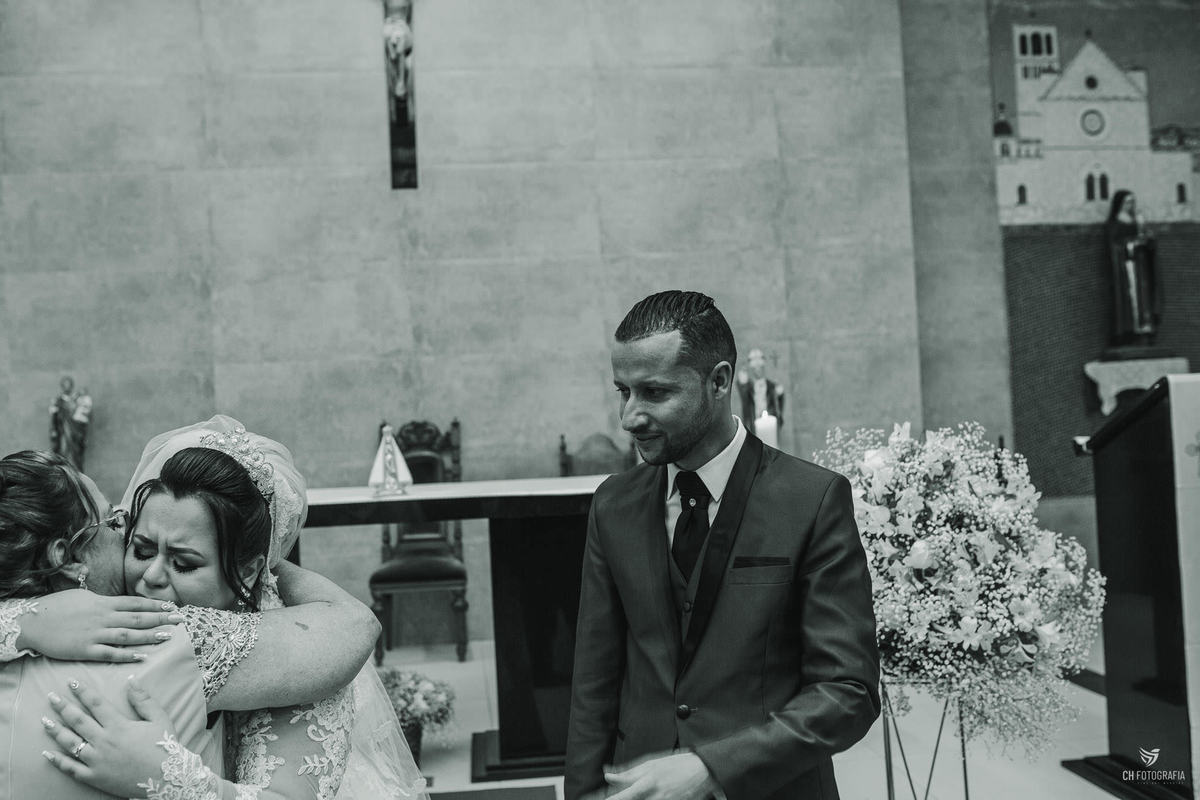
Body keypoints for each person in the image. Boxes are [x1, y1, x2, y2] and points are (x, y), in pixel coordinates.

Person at [565, 291, 879, 800]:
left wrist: (713, 768)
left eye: (655, 392)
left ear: (719, 381)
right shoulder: (613, 505)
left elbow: (849, 693)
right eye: (624, 391)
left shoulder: (812, 500)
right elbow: (593, 683)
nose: (629, 416)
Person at [39, 416, 428, 799]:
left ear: (247, 571)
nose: (153, 575)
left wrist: (172, 781)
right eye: (140, 550)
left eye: (184, 563)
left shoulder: (306, 660)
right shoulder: (103, 615)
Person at [1104, 190, 1160, 347]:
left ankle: (1145, 329)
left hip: (1141, 267)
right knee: (1130, 299)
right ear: (1120, 204)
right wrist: (1131, 245)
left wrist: (1147, 239)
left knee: (1144, 298)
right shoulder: (1115, 223)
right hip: (1126, 268)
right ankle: (1129, 331)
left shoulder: (1136, 221)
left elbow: (1147, 241)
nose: (1131, 205)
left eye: (1133, 202)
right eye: (1128, 202)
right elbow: (1114, 247)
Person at [49, 376, 90, 471]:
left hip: (76, 433)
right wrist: (54, 430)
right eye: (65, 385)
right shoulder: (58, 401)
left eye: (69, 385)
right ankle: (64, 472)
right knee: (63, 451)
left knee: (77, 454)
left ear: (72, 386)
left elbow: (83, 417)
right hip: (63, 431)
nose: (67, 387)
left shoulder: (77, 400)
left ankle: (77, 474)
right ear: (62, 386)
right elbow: (54, 417)